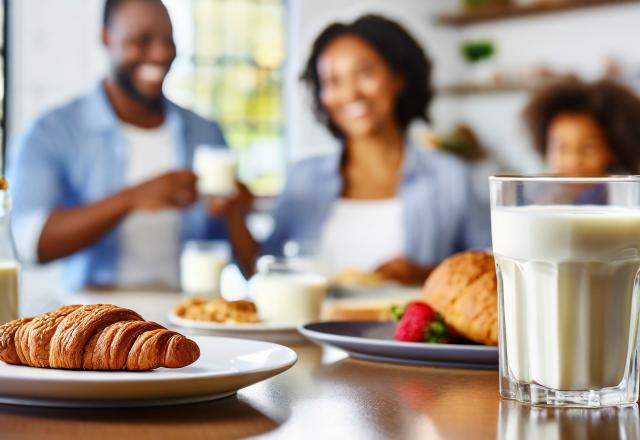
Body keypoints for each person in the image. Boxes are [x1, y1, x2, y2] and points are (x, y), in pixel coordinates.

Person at [220, 15, 490, 285]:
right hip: (304, 328)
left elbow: (491, 274)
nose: (350, 94)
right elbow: (264, 273)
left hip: (401, 326)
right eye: (333, 81)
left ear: (398, 77)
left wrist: (426, 276)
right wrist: (234, 214)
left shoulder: (449, 177)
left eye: (365, 74)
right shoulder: (303, 177)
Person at [7, 0, 248, 290]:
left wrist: (236, 213)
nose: (160, 53)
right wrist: (131, 199)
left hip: (187, 319)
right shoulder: (53, 131)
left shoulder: (205, 133)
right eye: (141, 40)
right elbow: (27, 243)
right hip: (95, 322)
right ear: (107, 38)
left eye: (167, 40)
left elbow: (250, 266)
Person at [524, 79, 640, 177]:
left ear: (615, 151)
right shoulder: (540, 196)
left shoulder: (623, 198)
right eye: (562, 148)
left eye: (589, 148)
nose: (573, 161)